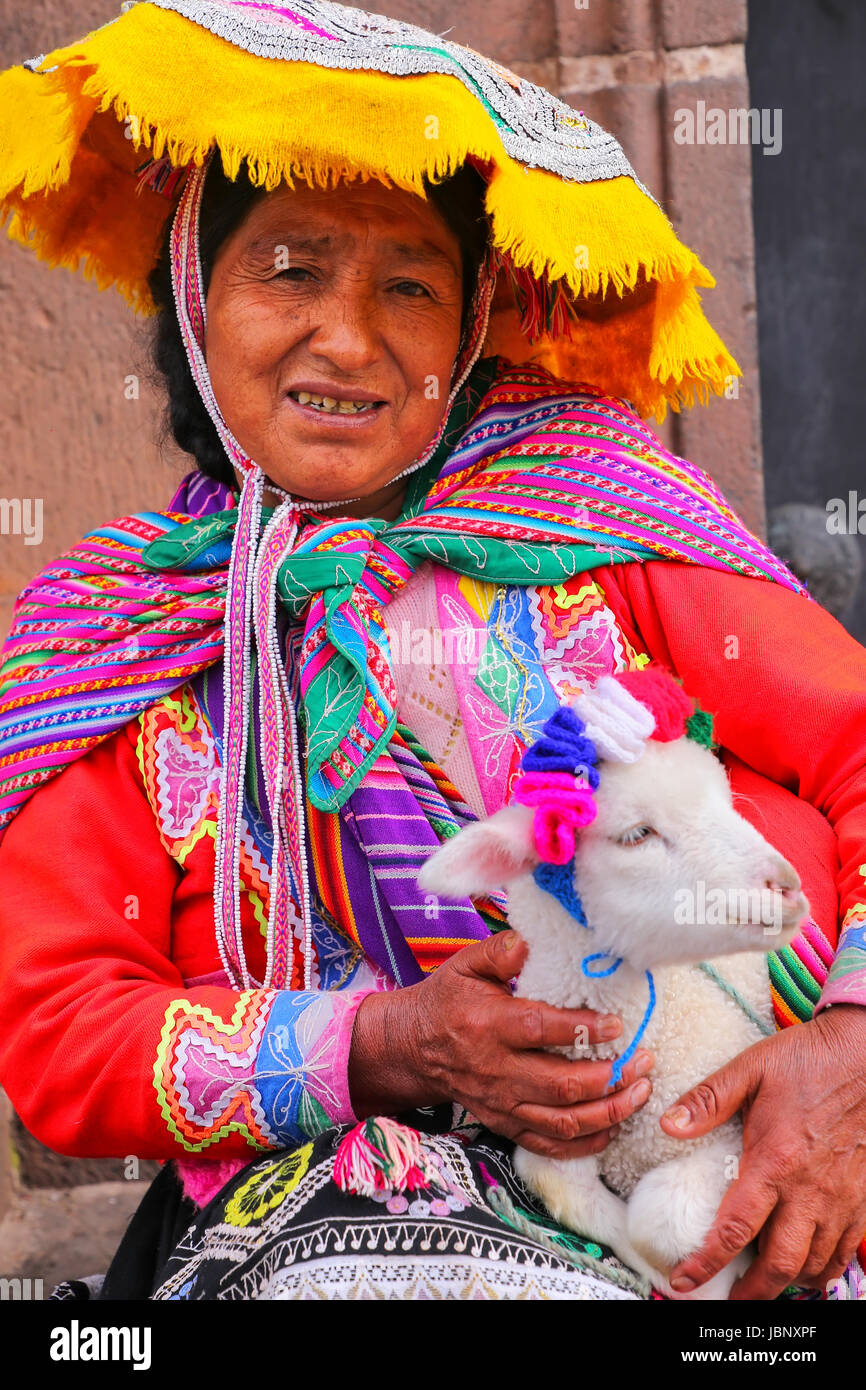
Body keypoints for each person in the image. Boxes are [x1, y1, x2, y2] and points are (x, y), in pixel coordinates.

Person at [1, 0, 865, 1302]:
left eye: (407, 282)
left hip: (721, 1169)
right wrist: (389, 1042)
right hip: (333, 1210)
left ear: (466, 328)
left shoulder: (589, 519)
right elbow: (61, 1035)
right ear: (195, 302)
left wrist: (848, 1045)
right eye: (289, 268)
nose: (347, 338)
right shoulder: (111, 629)